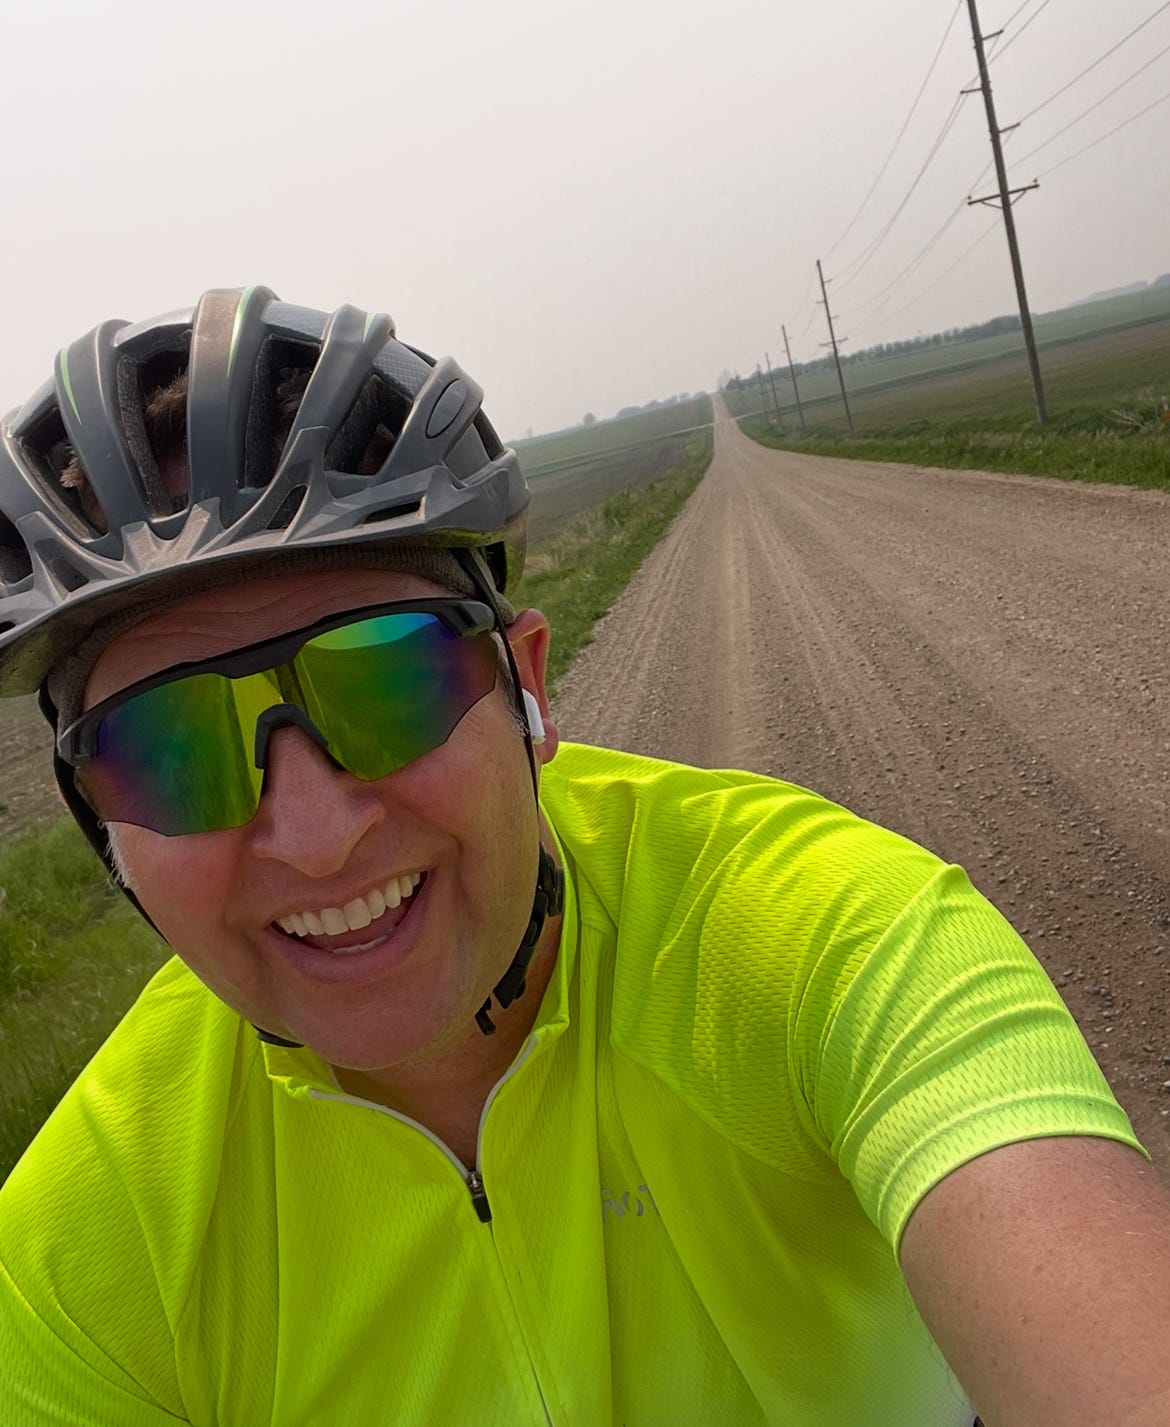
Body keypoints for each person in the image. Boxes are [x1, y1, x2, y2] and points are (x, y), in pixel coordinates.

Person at [0, 287, 1167, 1427]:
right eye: (169, 751)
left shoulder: (819, 938)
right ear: (105, 827)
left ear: (529, 688)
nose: (316, 834)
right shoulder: (84, 1242)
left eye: (388, 679)